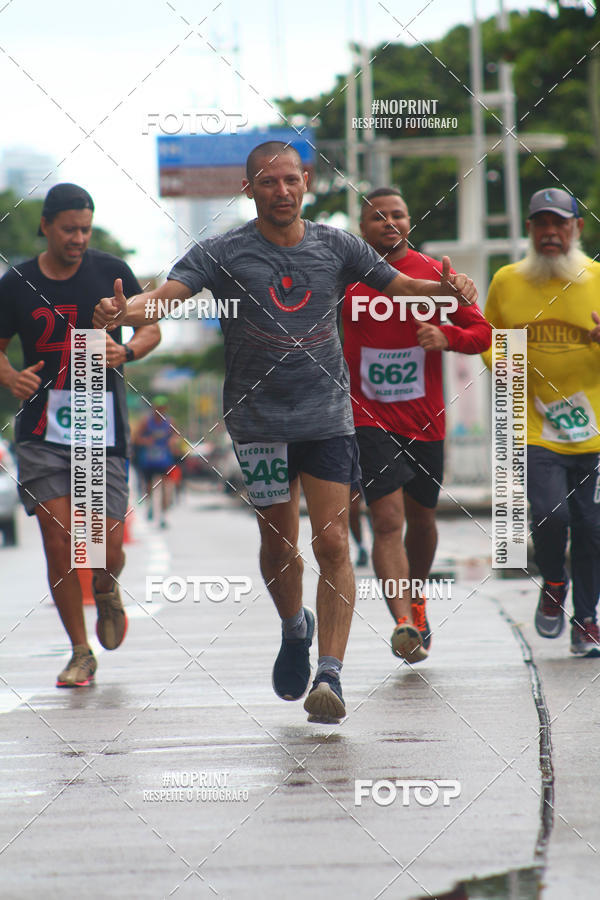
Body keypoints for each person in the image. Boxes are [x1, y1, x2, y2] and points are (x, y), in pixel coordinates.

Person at [93, 141, 477, 723]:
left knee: (332, 543)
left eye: (290, 181)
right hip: (258, 423)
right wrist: (125, 314)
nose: (281, 192)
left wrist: (446, 290)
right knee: (279, 544)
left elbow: (398, 284)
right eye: (268, 183)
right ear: (250, 190)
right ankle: (294, 626)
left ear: (307, 183)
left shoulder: (337, 245)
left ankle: (331, 674)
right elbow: (167, 299)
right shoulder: (222, 251)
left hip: (327, 417)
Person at [0, 183, 161, 686]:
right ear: (45, 226)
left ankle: (108, 584)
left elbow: (151, 326)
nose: (78, 238)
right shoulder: (16, 282)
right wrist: (10, 376)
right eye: (69, 229)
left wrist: (127, 351)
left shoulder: (110, 272)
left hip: (101, 424)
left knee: (103, 546)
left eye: (86, 229)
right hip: (42, 427)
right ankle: (79, 650)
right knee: (59, 537)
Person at [342, 188, 492, 662]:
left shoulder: (435, 275)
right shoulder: (345, 279)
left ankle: (418, 598)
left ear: (410, 222)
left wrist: (445, 336)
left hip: (426, 420)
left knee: (423, 522)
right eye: (376, 218)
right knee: (388, 520)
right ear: (361, 228)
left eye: (398, 215)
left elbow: (484, 333)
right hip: (368, 417)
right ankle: (404, 621)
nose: (389, 223)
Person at [483, 187, 600, 657]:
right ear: (529, 229)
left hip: (595, 431)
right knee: (551, 514)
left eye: (560, 224)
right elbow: (486, 339)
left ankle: (588, 619)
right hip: (533, 426)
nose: (551, 232)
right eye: (541, 224)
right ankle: (554, 582)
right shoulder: (507, 282)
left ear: (578, 228)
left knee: (593, 527)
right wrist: (502, 361)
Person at [131, 395, 177, 528]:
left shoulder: (170, 421)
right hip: (149, 459)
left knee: (166, 487)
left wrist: (172, 441)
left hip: (164, 459)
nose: (160, 411)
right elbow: (136, 438)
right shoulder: (146, 422)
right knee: (149, 485)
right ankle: (150, 506)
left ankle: (163, 516)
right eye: (157, 408)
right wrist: (146, 441)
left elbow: (176, 436)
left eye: (162, 408)